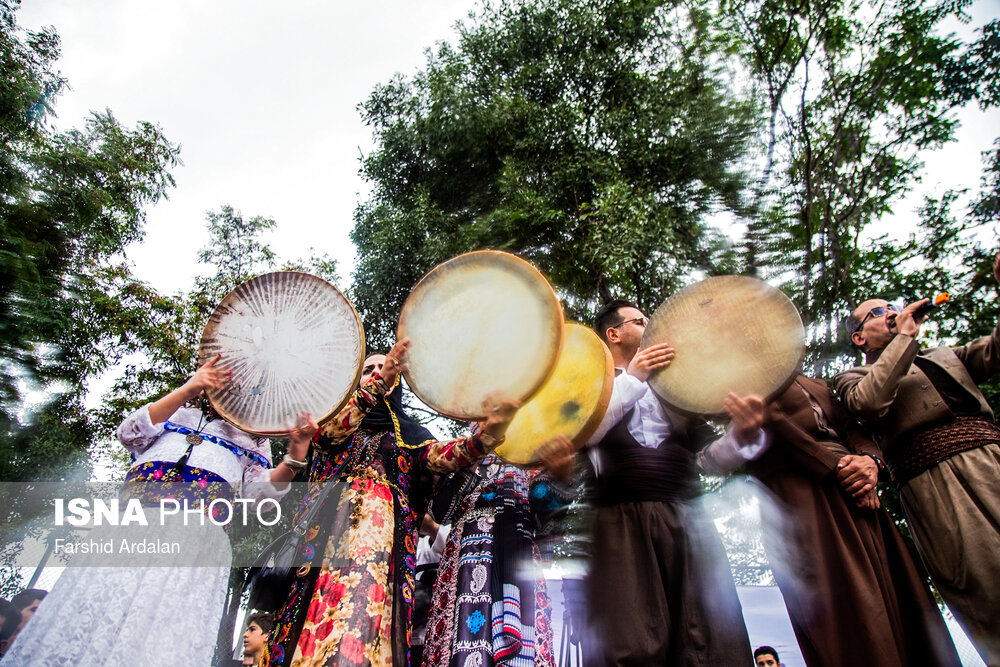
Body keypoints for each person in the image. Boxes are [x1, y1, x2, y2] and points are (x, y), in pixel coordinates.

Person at [2, 355, 315, 667]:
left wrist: (296, 454)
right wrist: (189, 388)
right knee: (93, 608)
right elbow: (129, 434)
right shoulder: (176, 411)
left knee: (160, 623)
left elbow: (259, 496)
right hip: (133, 525)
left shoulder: (253, 437)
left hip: (197, 541)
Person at [264, 340, 521, 667]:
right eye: (368, 371)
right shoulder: (332, 428)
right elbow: (328, 435)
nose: (376, 373)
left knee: (362, 638)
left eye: (384, 369)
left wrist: (487, 436)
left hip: (380, 563)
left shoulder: (414, 435)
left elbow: (445, 457)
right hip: (316, 559)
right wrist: (381, 381)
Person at [834, 252, 1000, 664]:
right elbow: (869, 403)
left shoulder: (947, 356)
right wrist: (905, 337)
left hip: (992, 460)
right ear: (859, 337)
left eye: (893, 306)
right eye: (878, 311)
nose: (890, 311)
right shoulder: (851, 377)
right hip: (937, 486)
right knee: (986, 583)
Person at [584, 300, 766, 665]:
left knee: (707, 634)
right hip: (620, 526)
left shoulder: (680, 392)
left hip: (687, 520)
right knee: (631, 637)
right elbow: (586, 434)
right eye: (641, 321)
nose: (651, 327)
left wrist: (742, 435)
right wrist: (634, 379)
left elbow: (709, 462)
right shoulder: (590, 386)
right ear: (613, 333)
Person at [743, 374, 960, 667]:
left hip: (859, 489)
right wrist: (843, 472)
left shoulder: (817, 384)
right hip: (804, 493)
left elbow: (851, 428)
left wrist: (870, 463)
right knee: (847, 603)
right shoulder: (744, 378)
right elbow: (772, 426)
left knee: (897, 592)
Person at [421, 435, 574, 666]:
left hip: (519, 563)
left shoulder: (533, 459)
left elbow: (549, 528)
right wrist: (472, 454)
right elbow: (440, 511)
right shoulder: (463, 450)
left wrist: (561, 478)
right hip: (463, 564)